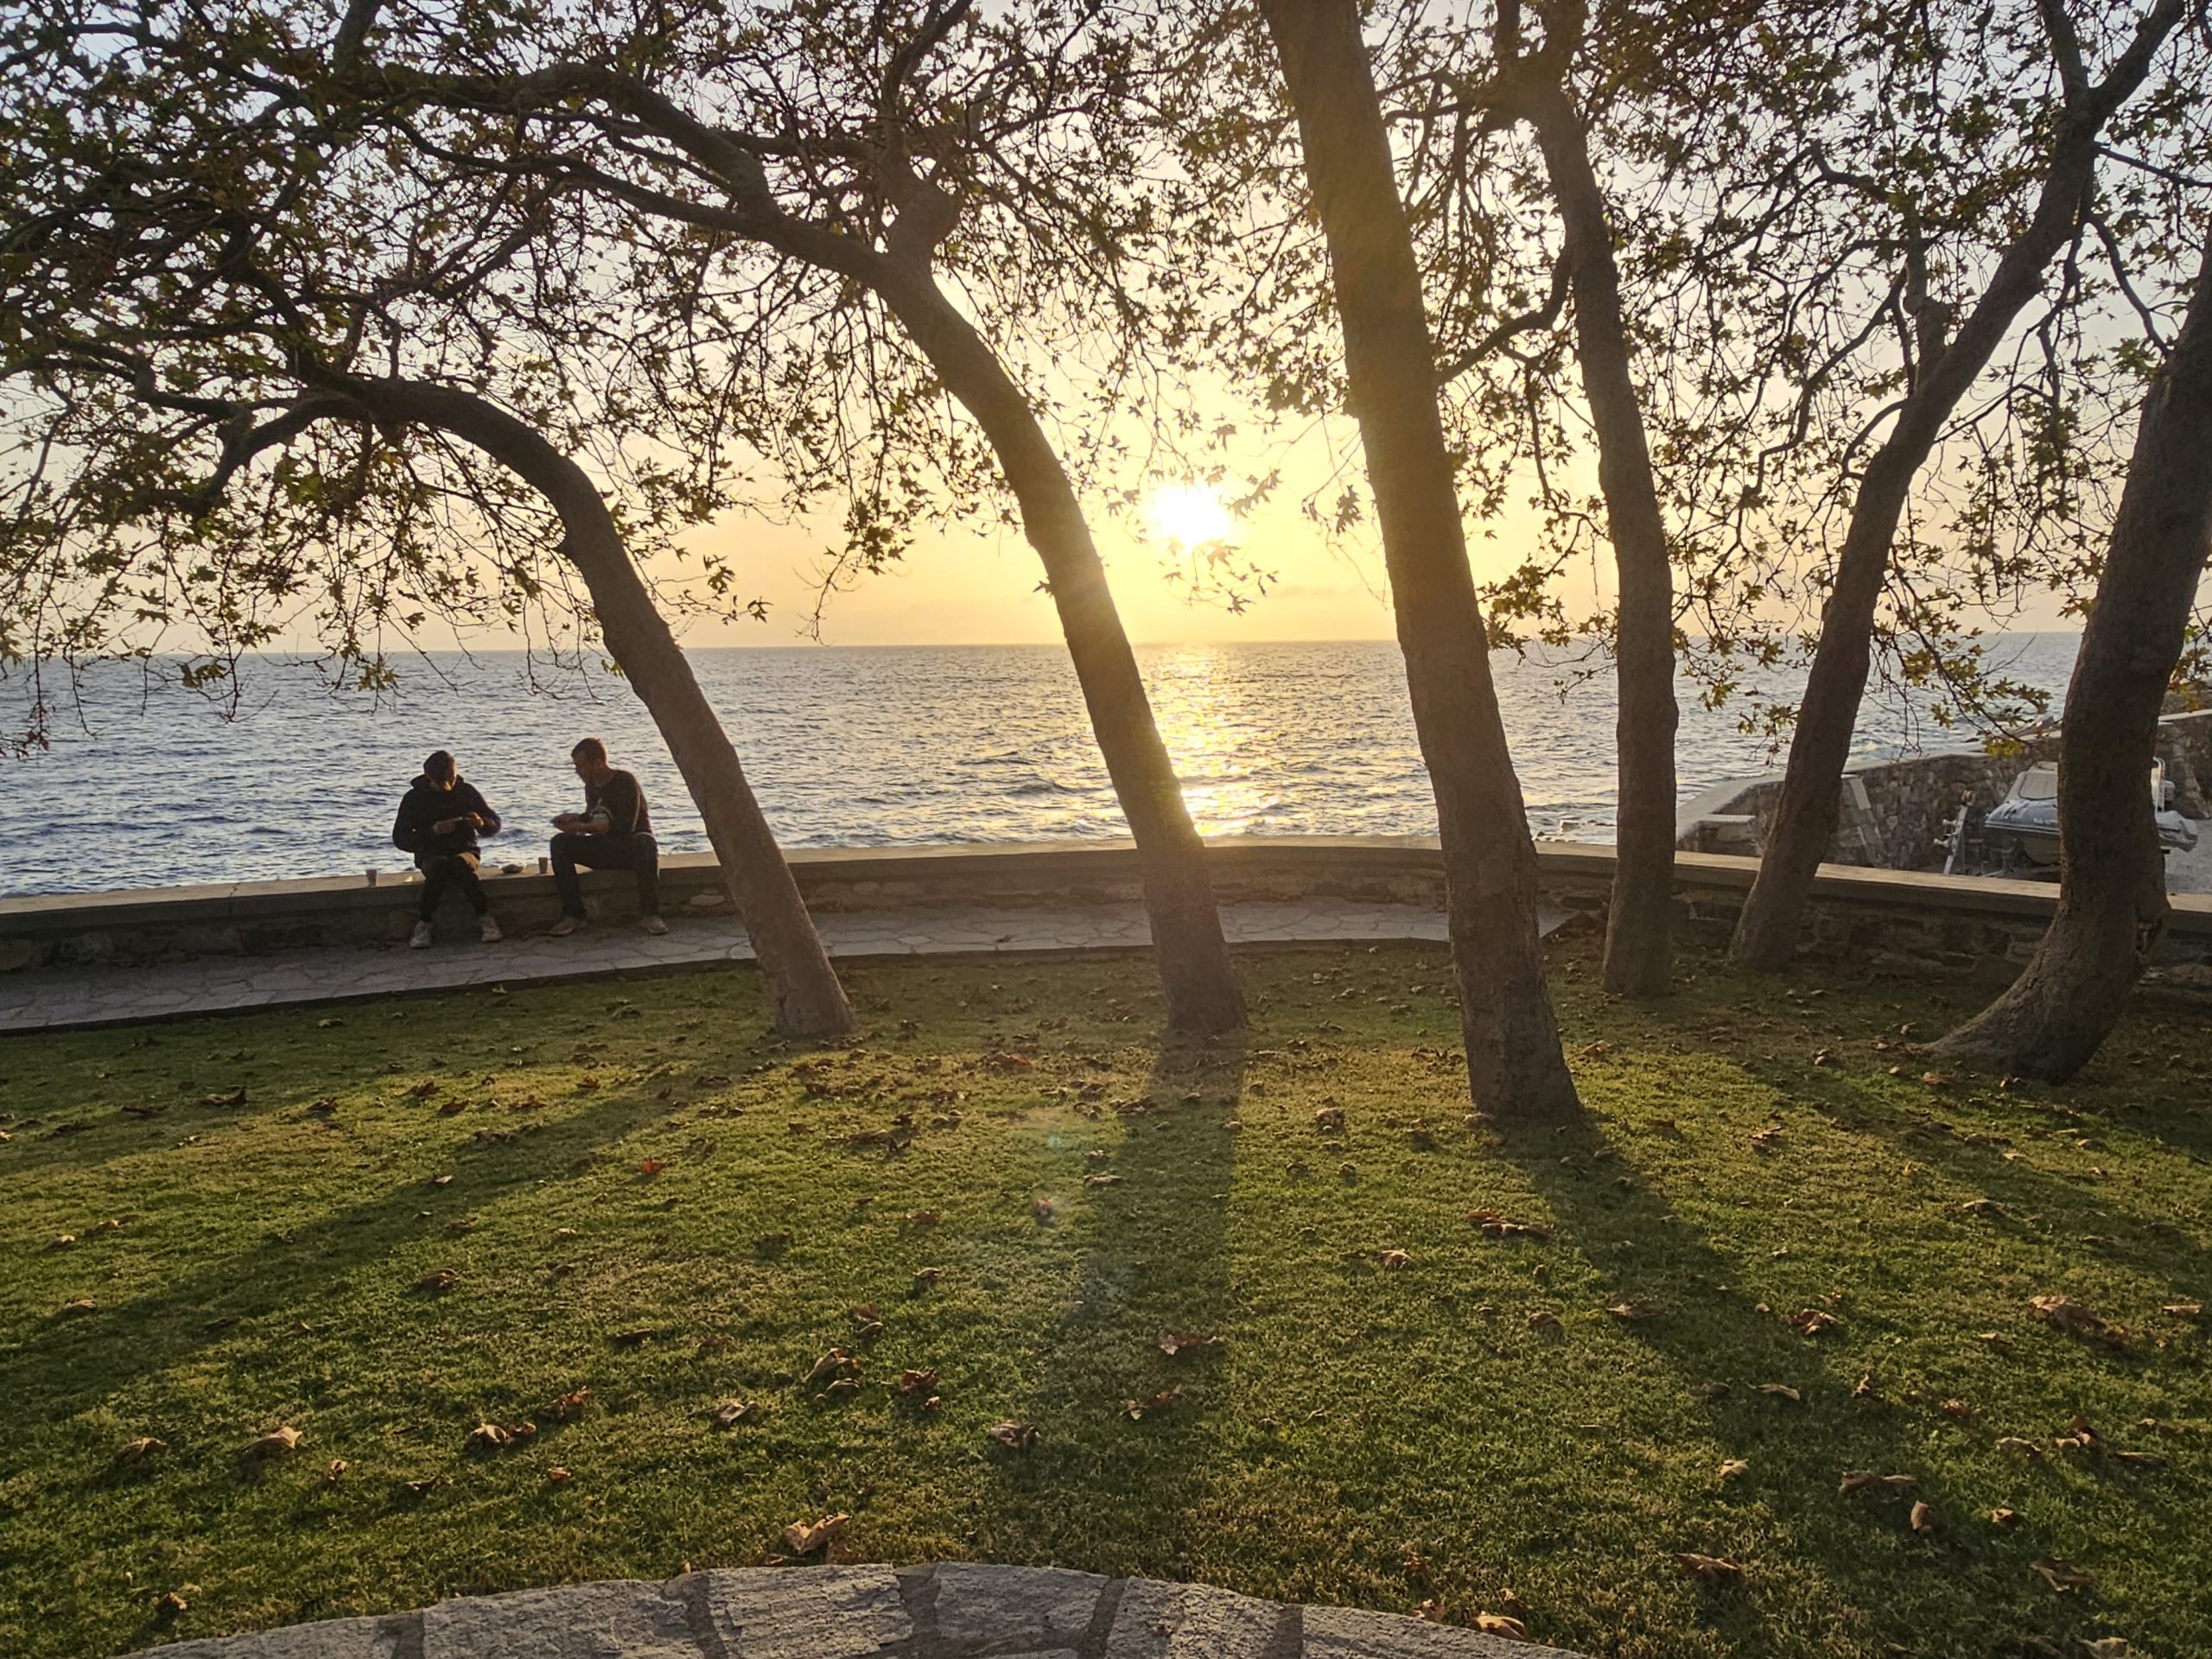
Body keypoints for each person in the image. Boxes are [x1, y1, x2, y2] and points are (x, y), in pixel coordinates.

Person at [549, 737, 667, 935]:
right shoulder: (591, 786)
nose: (578, 771)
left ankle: (650, 914)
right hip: (603, 847)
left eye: (581, 765)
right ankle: (573, 914)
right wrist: (575, 819)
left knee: (646, 842)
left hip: (628, 848)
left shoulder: (625, 781)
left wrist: (584, 827)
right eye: (575, 766)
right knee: (559, 843)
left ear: (598, 763)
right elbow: (597, 814)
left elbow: (624, 826)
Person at [391, 750, 503, 948]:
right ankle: (424, 923)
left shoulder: (466, 792)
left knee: (461, 865)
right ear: (429, 777)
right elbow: (401, 838)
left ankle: (485, 918)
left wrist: (480, 823)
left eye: (452, 778)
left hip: (465, 850)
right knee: (439, 867)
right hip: (430, 852)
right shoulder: (414, 798)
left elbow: (494, 824)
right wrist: (432, 832)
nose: (449, 784)